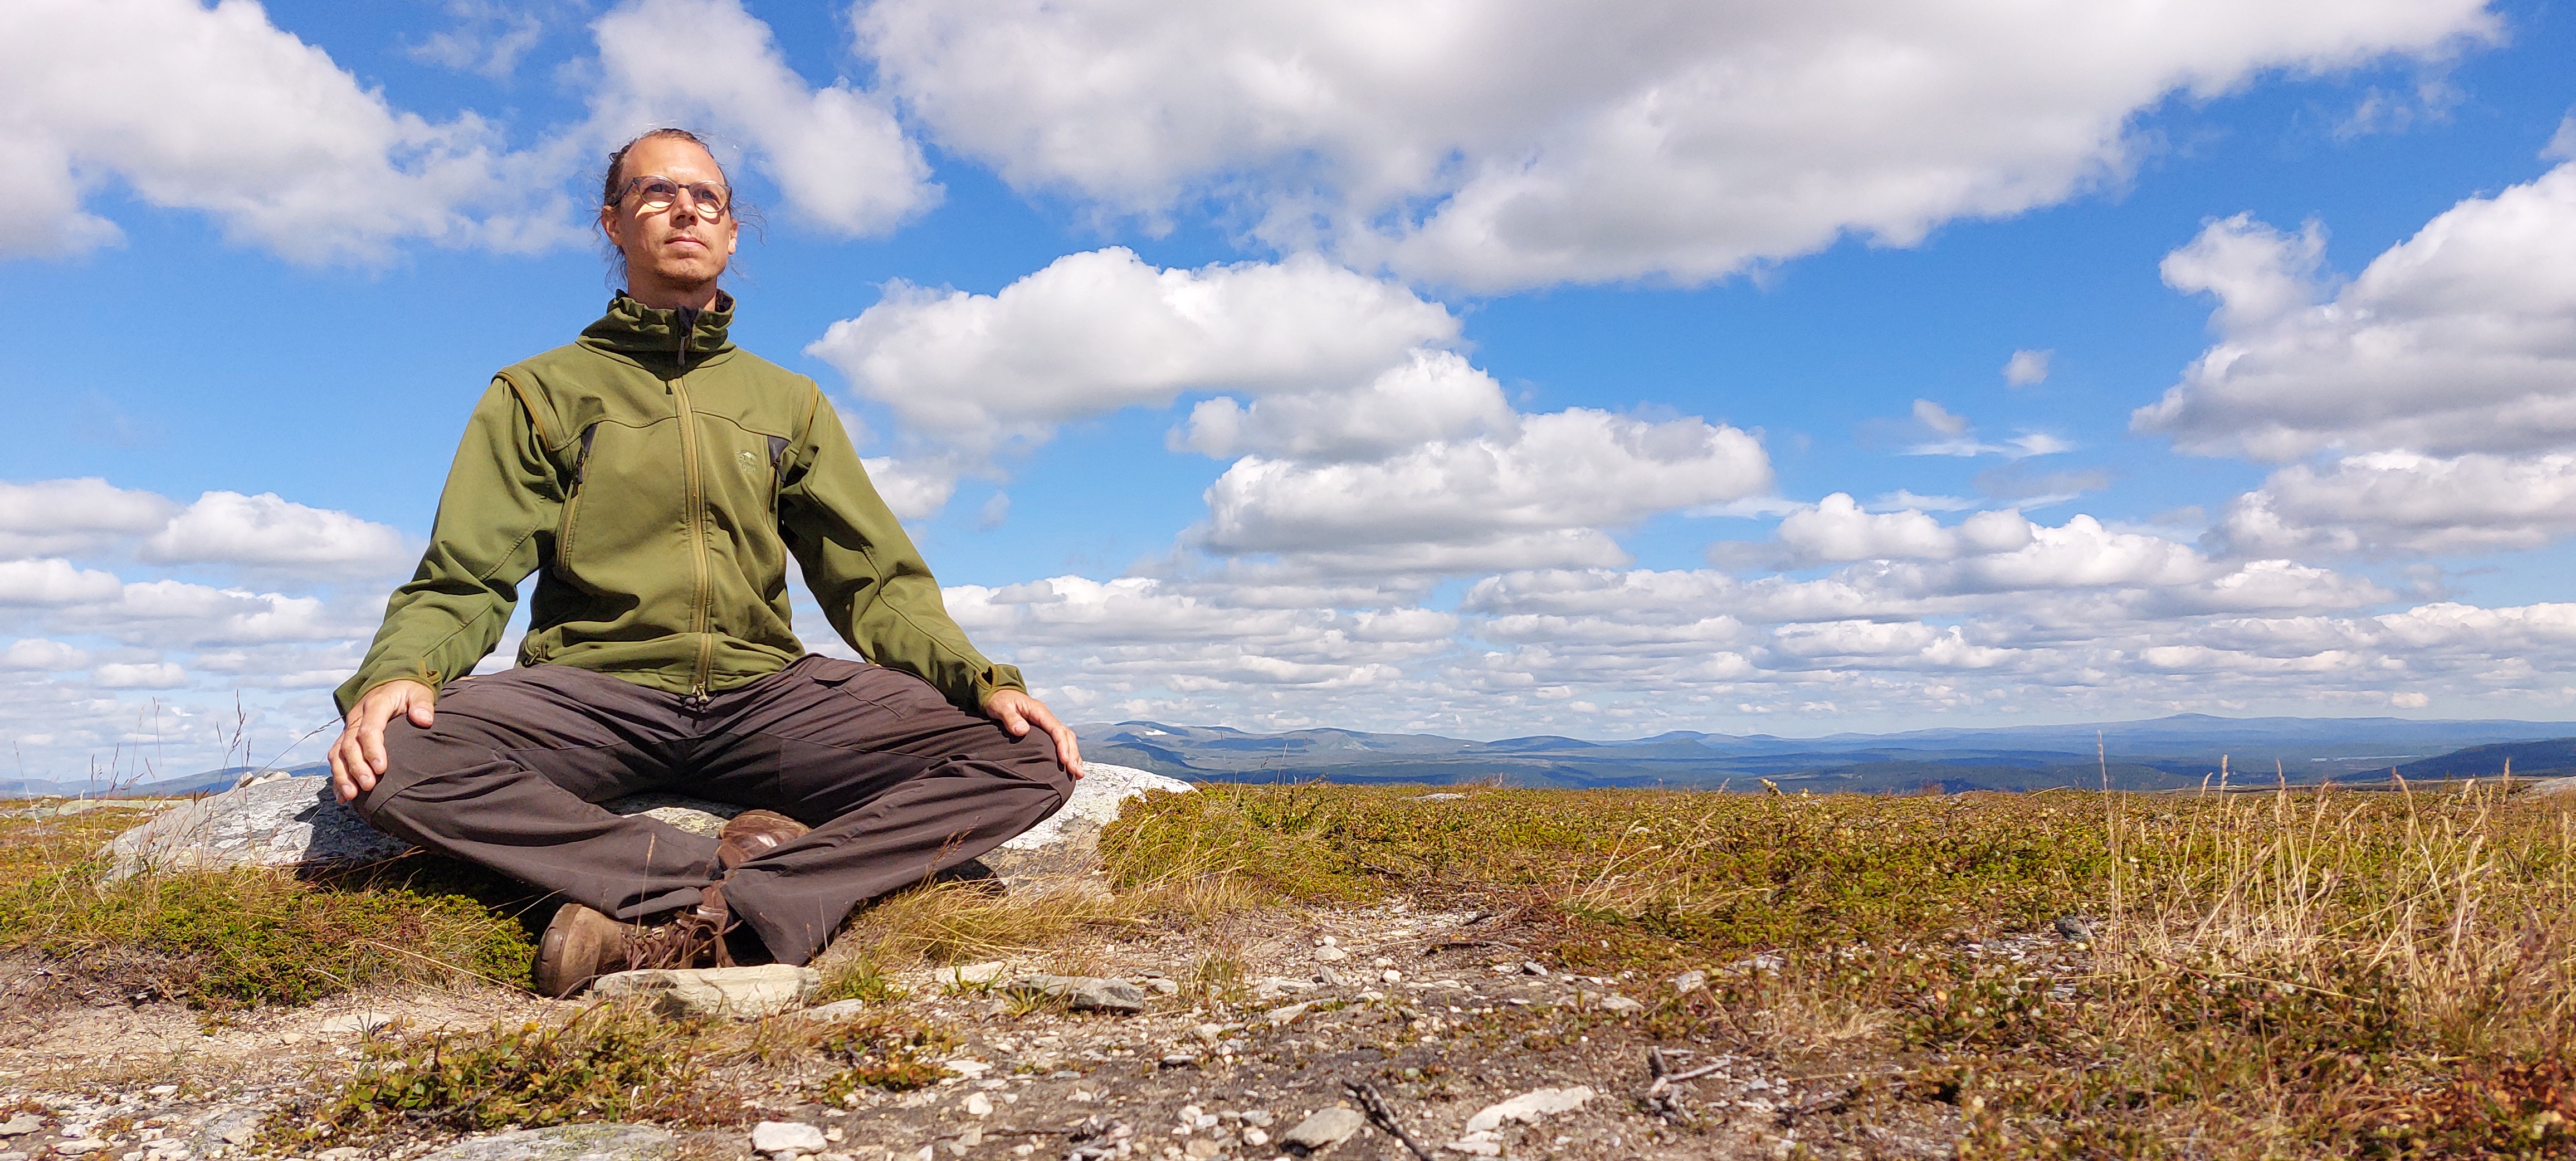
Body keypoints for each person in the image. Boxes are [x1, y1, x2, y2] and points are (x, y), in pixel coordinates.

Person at [325, 128, 1082, 998]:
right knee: (392, 758)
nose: (685, 209)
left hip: (767, 696)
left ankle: (705, 905)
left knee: (1031, 756)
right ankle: (736, 884)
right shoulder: (539, 392)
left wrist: (980, 679)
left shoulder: (789, 402)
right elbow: (466, 574)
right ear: (614, 224)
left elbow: (873, 581)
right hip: (595, 693)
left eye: (707, 198)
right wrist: (401, 671)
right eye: (656, 192)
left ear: (729, 232)